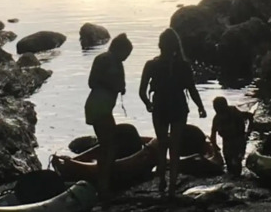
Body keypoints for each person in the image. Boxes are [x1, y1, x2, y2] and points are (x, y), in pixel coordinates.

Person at [139, 28, 206, 198]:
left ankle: (161, 180)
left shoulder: (151, 65)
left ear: (160, 45)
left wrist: (148, 103)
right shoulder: (183, 65)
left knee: (162, 144)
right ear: (176, 46)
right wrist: (200, 107)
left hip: (160, 106)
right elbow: (192, 89)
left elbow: (142, 91)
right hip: (178, 106)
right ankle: (172, 187)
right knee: (175, 147)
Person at [84, 33, 133, 197]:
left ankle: (104, 180)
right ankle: (103, 184)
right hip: (98, 105)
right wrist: (114, 85)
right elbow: (93, 82)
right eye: (126, 54)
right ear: (119, 49)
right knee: (109, 146)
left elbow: (117, 82)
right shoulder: (104, 59)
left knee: (108, 144)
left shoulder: (116, 62)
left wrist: (120, 86)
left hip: (103, 106)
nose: (126, 58)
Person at [210, 95, 254, 176]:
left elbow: (250, 116)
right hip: (226, 142)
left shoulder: (235, 112)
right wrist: (215, 147)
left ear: (225, 107)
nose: (218, 112)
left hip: (239, 140)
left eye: (219, 109)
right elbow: (213, 134)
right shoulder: (217, 118)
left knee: (237, 161)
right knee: (229, 162)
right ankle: (232, 177)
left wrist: (249, 130)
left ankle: (238, 176)